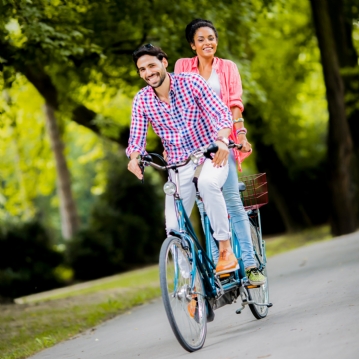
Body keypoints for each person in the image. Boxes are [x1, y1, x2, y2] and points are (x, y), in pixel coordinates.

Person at [126, 44, 238, 275]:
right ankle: (191, 286)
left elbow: (221, 114)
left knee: (207, 184)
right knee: (174, 229)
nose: (148, 72)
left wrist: (222, 141)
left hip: (210, 155)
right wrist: (135, 158)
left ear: (164, 62)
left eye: (152, 65)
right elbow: (136, 139)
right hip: (178, 166)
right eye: (142, 69)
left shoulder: (191, 83)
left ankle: (225, 249)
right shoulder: (142, 100)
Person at [174, 19, 266, 285]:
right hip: (195, 146)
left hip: (223, 142)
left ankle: (250, 266)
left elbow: (235, 105)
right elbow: (178, 105)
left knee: (234, 205)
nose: (207, 43)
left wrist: (241, 136)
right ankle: (220, 266)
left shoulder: (228, 68)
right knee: (204, 207)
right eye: (201, 39)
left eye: (211, 37)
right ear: (192, 45)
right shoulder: (182, 67)